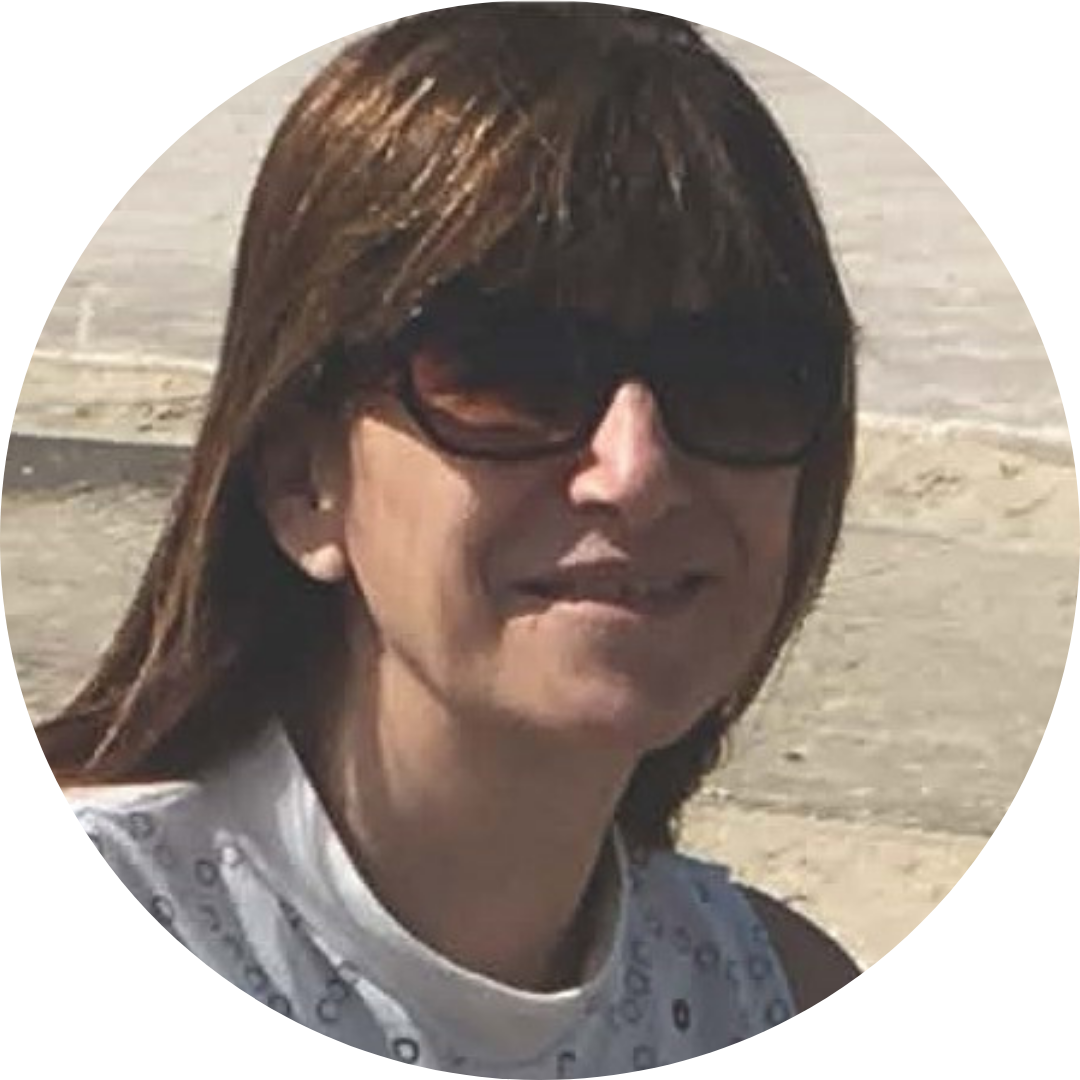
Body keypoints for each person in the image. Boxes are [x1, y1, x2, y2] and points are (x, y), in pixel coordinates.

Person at [39, 3, 860, 1074]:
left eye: (738, 374)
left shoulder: (774, 998)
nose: (638, 473)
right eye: (511, 370)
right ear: (303, 481)